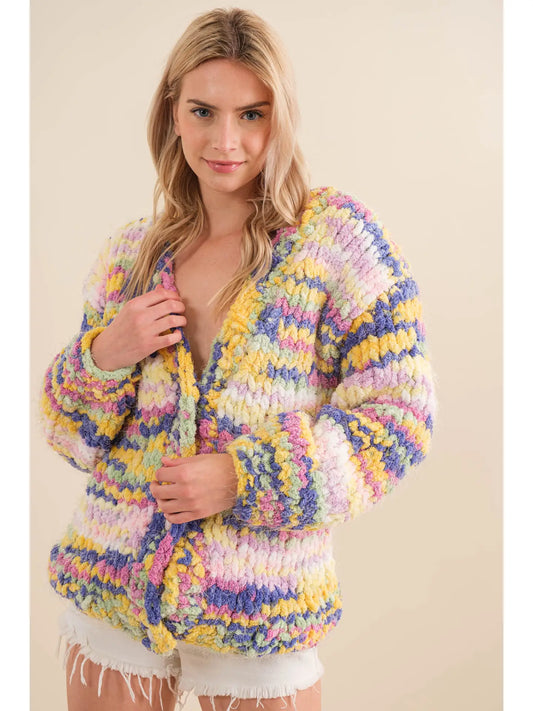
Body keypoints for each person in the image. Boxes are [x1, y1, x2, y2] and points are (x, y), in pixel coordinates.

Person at [40, 7, 436, 711]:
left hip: (262, 601)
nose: (226, 141)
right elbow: (70, 435)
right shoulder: (131, 256)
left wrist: (242, 478)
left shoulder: (336, 242)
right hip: (114, 587)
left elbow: (399, 420)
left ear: (282, 117)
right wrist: (106, 353)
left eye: (252, 114)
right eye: (203, 111)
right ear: (173, 112)